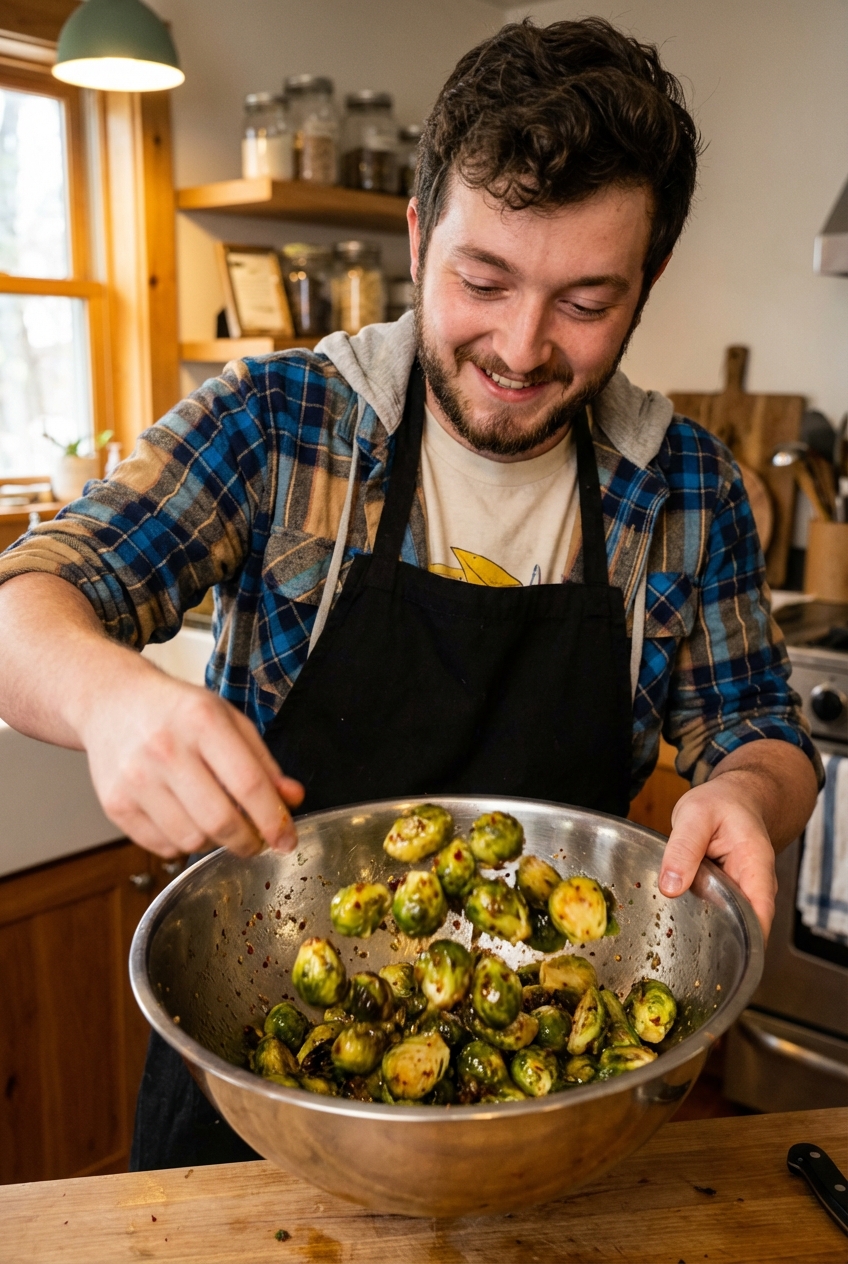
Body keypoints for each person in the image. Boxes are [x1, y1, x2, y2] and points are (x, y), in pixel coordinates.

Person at [0, 18, 820, 1167]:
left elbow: (763, 733)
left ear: (648, 279)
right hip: (262, 1076)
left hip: (542, 1098)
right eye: (481, 280)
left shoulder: (684, 486)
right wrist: (110, 701)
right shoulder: (277, 423)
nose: (521, 347)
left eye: (585, 301)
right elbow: (25, 601)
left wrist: (750, 792)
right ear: (416, 229)